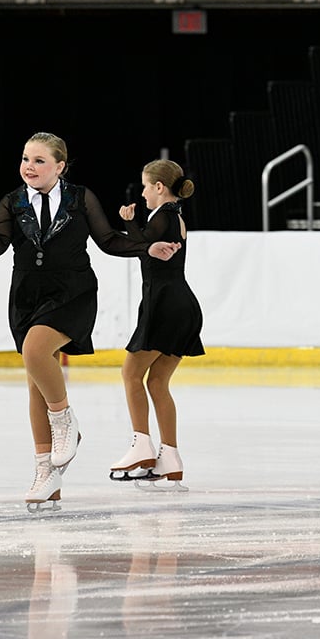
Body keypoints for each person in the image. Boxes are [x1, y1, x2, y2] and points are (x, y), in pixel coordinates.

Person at [0, 132, 181, 511]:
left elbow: (108, 241)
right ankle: (46, 474)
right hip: (26, 298)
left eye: (39, 161)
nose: (29, 167)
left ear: (60, 166)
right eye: (25, 159)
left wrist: (145, 246)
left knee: (36, 353)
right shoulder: (12, 202)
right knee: (35, 383)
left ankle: (65, 421)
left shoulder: (80, 198)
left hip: (73, 293)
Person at [108, 159, 204, 491]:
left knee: (131, 373)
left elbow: (140, 248)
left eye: (147, 186)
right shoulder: (172, 217)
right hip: (182, 306)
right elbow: (146, 247)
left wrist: (129, 224)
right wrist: (135, 225)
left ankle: (141, 446)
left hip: (163, 306)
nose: (145, 192)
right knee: (158, 383)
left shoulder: (163, 217)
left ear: (159, 187)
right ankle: (171, 458)